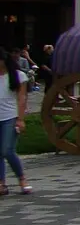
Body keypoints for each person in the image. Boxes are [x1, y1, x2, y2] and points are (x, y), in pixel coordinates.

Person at [0, 49, 32, 196]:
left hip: (10, 116)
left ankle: (21, 178)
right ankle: (1, 183)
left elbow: (21, 99)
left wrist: (20, 119)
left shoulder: (19, 76)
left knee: (7, 150)